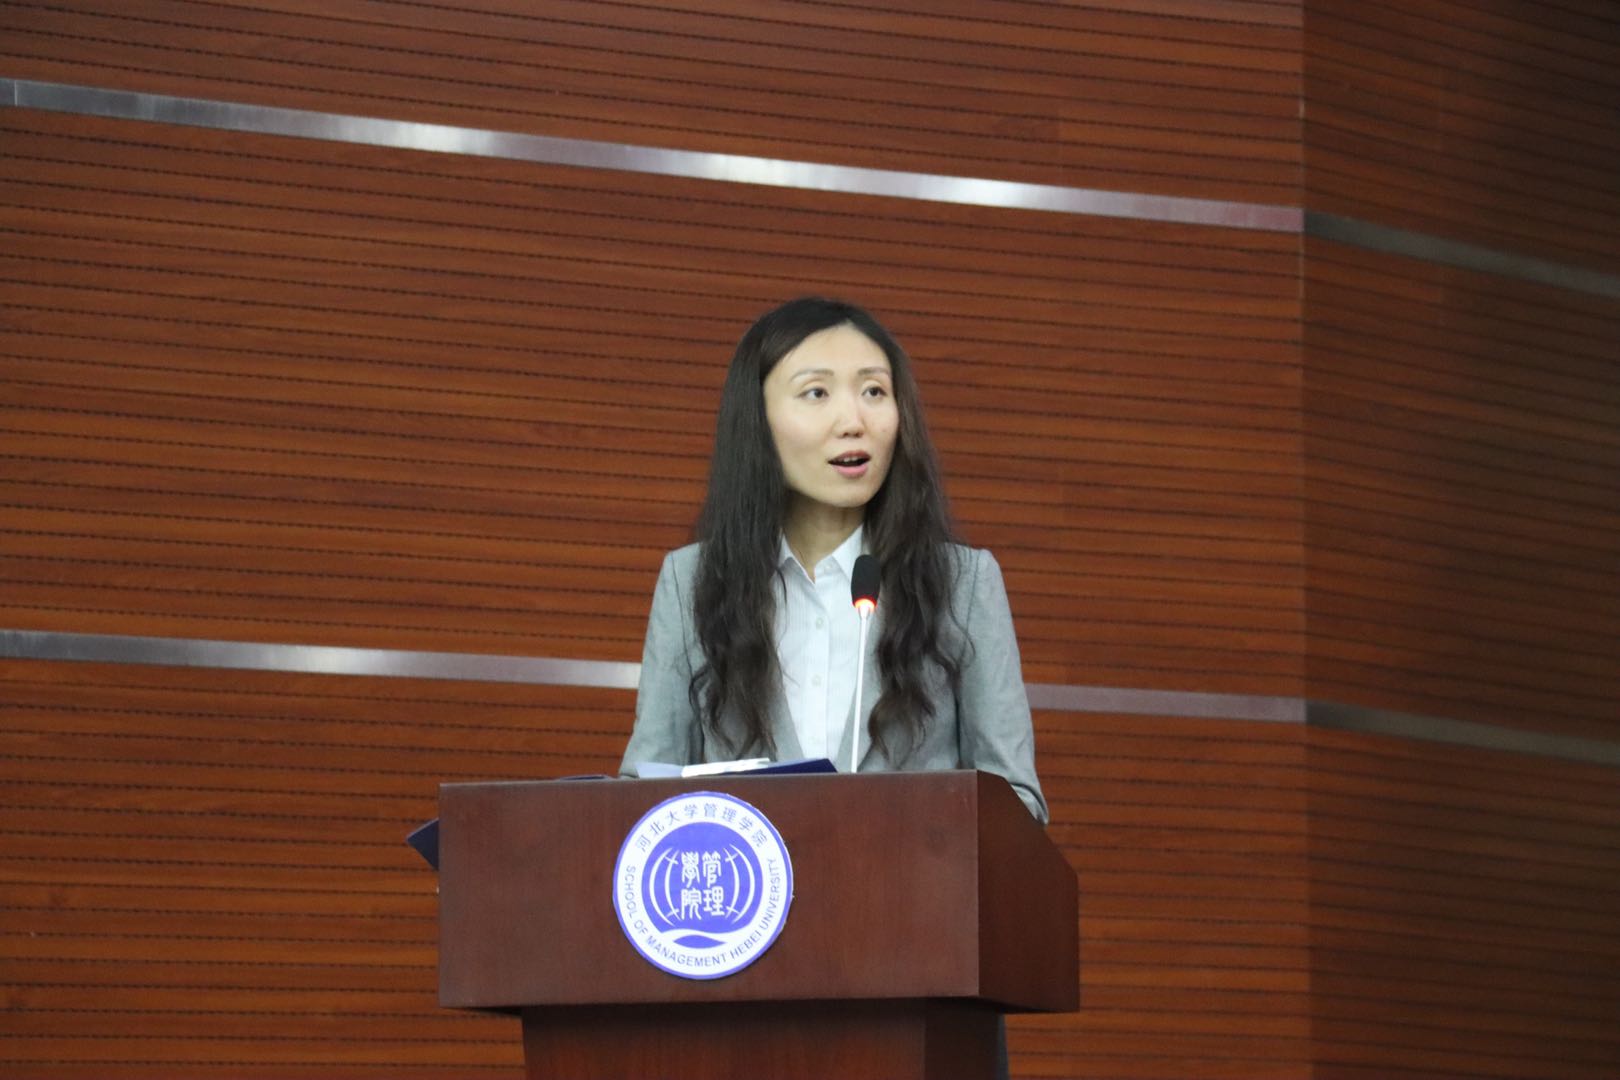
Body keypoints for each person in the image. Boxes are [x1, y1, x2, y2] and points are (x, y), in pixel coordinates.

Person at [618, 296, 1046, 824]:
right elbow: (641, 800)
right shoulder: (692, 582)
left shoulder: (962, 584)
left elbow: (1017, 804)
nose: (853, 421)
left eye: (874, 391)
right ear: (757, 420)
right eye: (817, 392)